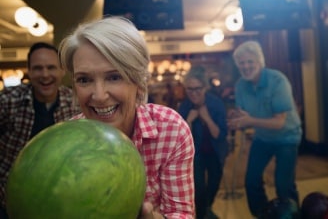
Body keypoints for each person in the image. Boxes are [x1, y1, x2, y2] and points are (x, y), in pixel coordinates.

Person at [58, 16, 195, 219]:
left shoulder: (170, 129)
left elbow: (180, 213)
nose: (99, 95)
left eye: (114, 77)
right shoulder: (66, 142)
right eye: (84, 80)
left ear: (138, 82)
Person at [0, 42, 81, 218]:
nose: (45, 75)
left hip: (59, 201)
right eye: (38, 68)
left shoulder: (75, 104)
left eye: (51, 67)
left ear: (62, 70)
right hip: (8, 200)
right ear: (29, 70)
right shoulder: (8, 100)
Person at [227, 40, 302, 217]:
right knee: (251, 181)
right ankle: (263, 215)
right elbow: (242, 115)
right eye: (242, 63)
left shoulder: (277, 80)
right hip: (263, 137)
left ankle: (293, 216)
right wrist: (235, 119)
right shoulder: (240, 86)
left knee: (284, 185)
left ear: (260, 61)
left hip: (287, 136)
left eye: (250, 61)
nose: (246, 66)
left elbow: (279, 123)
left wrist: (249, 120)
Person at [178, 66, 228, 219]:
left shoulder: (216, 104)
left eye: (197, 89)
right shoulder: (185, 106)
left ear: (205, 87)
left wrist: (206, 118)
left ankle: (206, 210)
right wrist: (189, 122)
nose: (193, 93)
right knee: (198, 190)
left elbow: (219, 135)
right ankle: (202, 214)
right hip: (196, 155)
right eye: (189, 89)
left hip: (215, 152)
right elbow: (180, 139)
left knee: (213, 186)